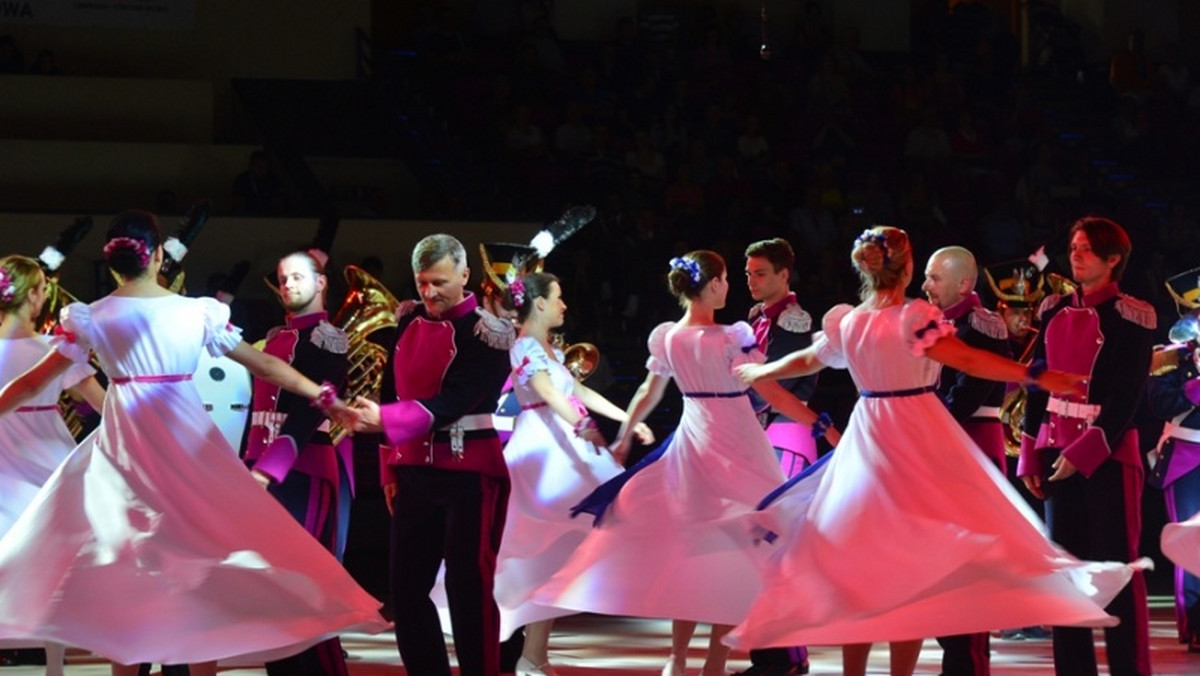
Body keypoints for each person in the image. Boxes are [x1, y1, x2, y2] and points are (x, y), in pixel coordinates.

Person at [728, 225, 1141, 676]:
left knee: (864, 557)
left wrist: (763, 370)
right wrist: (1032, 375)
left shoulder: (850, 320)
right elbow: (964, 359)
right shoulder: (911, 317)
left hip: (870, 434)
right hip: (913, 429)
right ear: (906, 268)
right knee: (931, 551)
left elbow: (808, 360)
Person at [0, 210, 387, 676]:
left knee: (130, 575)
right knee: (202, 568)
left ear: (115, 263)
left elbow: (25, 386)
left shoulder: (91, 316)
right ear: (158, 254)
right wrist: (326, 396)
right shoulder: (194, 311)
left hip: (127, 451)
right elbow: (264, 367)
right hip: (186, 446)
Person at [535, 251, 838, 676]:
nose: (731, 285)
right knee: (742, 554)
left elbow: (647, 392)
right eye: (728, 278)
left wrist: (625, 438)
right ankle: (726, 661)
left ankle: (681, 660)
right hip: (736, 444)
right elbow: (771, 393)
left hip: (695, 442)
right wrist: (822, 424)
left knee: (695, 554)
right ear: (713, 285)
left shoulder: (669, 337)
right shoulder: (732, 336)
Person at [351, 234, 515, 676]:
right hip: (412, 474)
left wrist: (384, 419)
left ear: (465, 276)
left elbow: (454, 400)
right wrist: (388, 467)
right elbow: (391, 388)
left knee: (469, 590)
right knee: (404, 591)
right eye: (422, 282)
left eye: (439, 282)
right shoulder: (407, 321)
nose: (428, 293)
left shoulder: (490, 334)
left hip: (469, 474)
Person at [495, 271, 653, 675]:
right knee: (549, 548)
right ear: (541, 303)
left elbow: (578, 392)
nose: (565, 304)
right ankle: (529, 654)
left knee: (559, 552)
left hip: (562, 444)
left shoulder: (548, 349)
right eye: (559, 296)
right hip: (546, 451)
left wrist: (628, 419)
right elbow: (549, 394)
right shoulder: (525, 346)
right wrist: (584, 427)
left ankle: (534, 655)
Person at [1017, 216, 1155, 676]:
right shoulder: (1053, 309)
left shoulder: (1132, 314)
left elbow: (1127, 397)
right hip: (1056, 454)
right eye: (1073, 247)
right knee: (1067, 573)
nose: (1075, 255)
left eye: (1086, 249)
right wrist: (1032, 452)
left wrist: (1084, 453)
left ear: (1113, 260)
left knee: (1117, 570)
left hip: (1108, 454)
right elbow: (1038, 385)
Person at [242, 250, 356, 676]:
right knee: (272, 594)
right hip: (261, 474)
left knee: (308, 593)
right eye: (282, 278)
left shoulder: (329, 338)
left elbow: (311, 411)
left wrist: (267, 468)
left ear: (321, 283)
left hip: (302, 473)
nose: (287, 284)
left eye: (297, 277)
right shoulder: (273, 336)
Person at [0, 255, 106, 676]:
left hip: (10, 469)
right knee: (58, 572)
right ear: (33, 296)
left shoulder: (53, 350)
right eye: (44, 288)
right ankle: (54, 667)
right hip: (49, 466)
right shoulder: (53, 351)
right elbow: (103, 403)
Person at [921, 246, 1012, 676]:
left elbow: (965, 393)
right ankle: (956, 660)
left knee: (971, 561)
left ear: (962, 283)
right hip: (945, 441)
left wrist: (922, 422)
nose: (925, 286)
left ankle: (967, 665)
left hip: (971, 441)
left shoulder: (982, 324)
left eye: (934, 278)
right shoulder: (937, 323)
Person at [737, 237, 817, 676]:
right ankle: (780, 654)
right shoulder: (757, 318)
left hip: (785, 435)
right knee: (766, 545)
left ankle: (783, 656)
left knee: (774, 544)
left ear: (785, 275)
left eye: (760, 273)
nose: (752, 280)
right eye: (748, 273)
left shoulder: (793, 318)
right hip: (764, 436)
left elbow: (784, 388)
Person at [1148, 267, 1200, 653]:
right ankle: (1196, 625)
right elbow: (1160, 403)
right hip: (1187, 457)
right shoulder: (1168, 358)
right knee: (1191, 545)